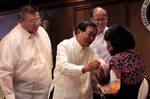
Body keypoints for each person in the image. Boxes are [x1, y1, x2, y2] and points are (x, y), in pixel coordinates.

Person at [0, 5, 53, 99]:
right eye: (32, 21)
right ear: (21, 21)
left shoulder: (42, 31)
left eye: (38, 19)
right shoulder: (11, 40)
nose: (37, 23)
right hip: (23, 95)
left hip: (45, 94)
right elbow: (4, 73)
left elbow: (49, 57)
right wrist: (10, 96)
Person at [52, 21, 106, 99]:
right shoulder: (64, 45)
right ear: (79, 31)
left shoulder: (90, 50)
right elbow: (62, 67)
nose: (92, 38)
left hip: (86, 95)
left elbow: (99, 60)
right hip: (66, 95)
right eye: (90, 34)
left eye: (94, 36)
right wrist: (84, 68)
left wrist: (103, 66)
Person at [104, 25, 145, 99]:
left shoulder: (117, 60)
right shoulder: (137, 55)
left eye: (108, 45)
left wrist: (100, 81)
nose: (107, 48)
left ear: (115, 43)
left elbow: (114, 91)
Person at [90, 7, 111, 99]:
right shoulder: (87, 36)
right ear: (91, 20)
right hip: (91, 84)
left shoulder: (111, 34)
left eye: (103, 19)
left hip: (108, 80)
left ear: (107, 19)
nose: (100, 22)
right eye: (97, 20)